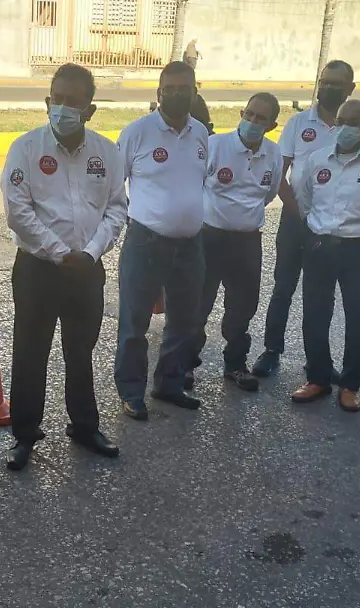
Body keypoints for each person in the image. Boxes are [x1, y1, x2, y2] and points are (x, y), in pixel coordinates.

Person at [1, 64, 125, 471]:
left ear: (90, 110)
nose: (64, 107)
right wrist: (59, 253)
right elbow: (18, 211)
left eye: (74, 101)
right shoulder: (25, 148)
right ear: (47, 102)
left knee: (80, 351)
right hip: (38, 270)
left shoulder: (107, 152)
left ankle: (85, 426)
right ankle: (24, 434)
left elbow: (117, 209)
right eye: (58, 98)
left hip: (87, 269)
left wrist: (89, 254)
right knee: (30, 352)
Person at [253, 60, 360, 379]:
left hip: (335, 227)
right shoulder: (298, 123)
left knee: (321, 298)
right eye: (325, 82)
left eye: (338, 84)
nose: (329, 88)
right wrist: (301, 212)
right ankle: (271, 349)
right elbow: (280, 174)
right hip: (297, 219)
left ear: (351, 89)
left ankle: (318, 363)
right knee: (284, 286)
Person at [113, 61, 209, 420]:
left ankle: (169, 383)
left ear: (194, 91)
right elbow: (113, 186)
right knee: (134, 322)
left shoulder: (201, 134)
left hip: (190, 245)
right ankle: (131, 391)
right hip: (146, 242)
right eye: (170, 88)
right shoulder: (137, 133)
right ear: (158, 93)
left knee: (184, 320)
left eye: (185, 88)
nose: (177, 94)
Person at [290, 100, 360, 412]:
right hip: (321, 246)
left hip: (359, 249)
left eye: (355, 122)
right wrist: (320, 232)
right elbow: (305, 199)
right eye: (342, 120)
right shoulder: (317, 158)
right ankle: (318, 378)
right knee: (315, 314)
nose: (347, 127)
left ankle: (350, 386)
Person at [188, 93, 283, 393]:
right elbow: (195, 185)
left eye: (261, 118)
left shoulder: (274, 154)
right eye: (249, 114)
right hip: (210, 238)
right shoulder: (216, 146)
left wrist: (243, 218)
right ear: (241, 112)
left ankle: (235, 365)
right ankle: (185, 364)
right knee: (197, 305)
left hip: (247, 242)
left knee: (243, 307)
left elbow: (269, 194)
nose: (252, 122)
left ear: (272, 125)